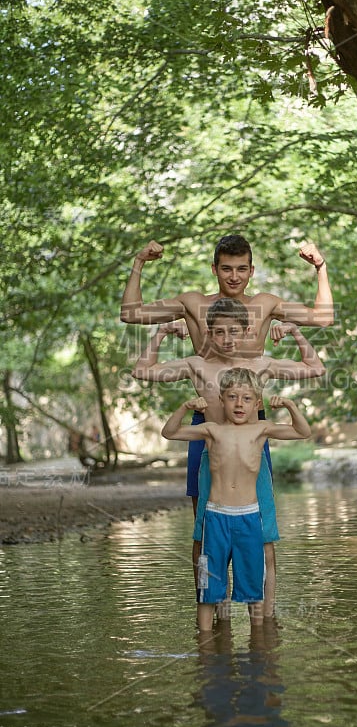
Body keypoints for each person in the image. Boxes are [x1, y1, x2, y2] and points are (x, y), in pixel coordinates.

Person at [132, 297, 325, 616]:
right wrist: (162, 333)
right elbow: (142, 370)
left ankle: (264, 617)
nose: (226, 339)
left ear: (248, 331)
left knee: (264, 541)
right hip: (214, 461)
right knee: (208, 540)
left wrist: (294, 332)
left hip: (252, 463)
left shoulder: (260, 365)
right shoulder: (197, 365)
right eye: (218, 332)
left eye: (233, 331)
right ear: (208, 333)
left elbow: (315, 368)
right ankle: (214, 614)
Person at [161, 368, 311, 631]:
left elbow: (302, 431)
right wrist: (185, 406)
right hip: (215, 517)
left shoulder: (261, 429)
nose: (239, 404)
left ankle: (259, 644)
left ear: (257, 402)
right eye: (232, 397)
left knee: (254, 590)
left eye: (246, 398)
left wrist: (289, 404)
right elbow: (169, 432)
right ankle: (205, 646)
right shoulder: (211, 430)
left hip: (249, 517)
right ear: (221, 399)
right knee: (208, 587)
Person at [120, 234, 334, 356]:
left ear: (251, 271)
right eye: (226, 269)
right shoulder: (194, 304)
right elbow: (131, 314)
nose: (234, 277)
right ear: (214, 269)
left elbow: (323, 318)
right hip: (207, 419)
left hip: (251, 421)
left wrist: (320, 267)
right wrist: (139, 262)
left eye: (241, 269)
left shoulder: (265, 304)